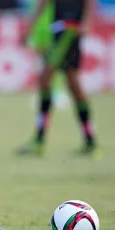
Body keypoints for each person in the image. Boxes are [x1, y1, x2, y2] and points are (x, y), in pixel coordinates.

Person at [19, 0, 101, 158]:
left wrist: (86, 22)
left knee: (47, 79)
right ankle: (89, 138)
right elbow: (43, 4)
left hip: (71, 30)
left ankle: (40, 139)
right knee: (73, 85)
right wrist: (30, 29)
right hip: (59, 30)